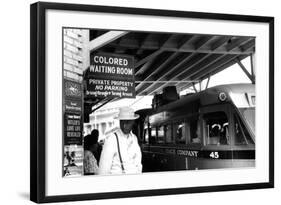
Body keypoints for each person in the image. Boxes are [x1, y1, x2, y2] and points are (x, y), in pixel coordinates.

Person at [98, 107, 142, 175]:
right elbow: (103, 170)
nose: (124, 125)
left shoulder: (134, 139)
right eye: (122, 122)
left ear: (133, 122)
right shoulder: (112, 139)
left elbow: (138, 163)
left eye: (128, 122)